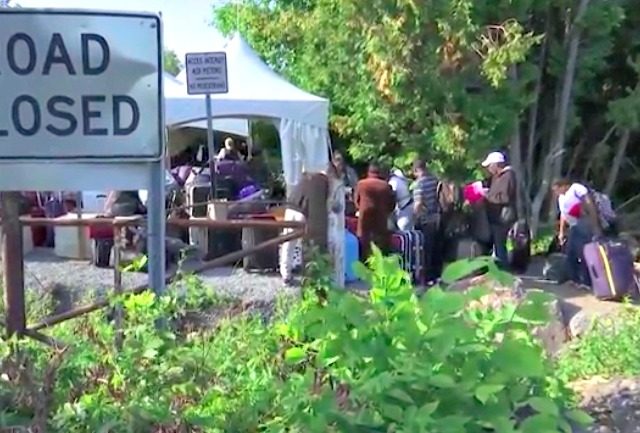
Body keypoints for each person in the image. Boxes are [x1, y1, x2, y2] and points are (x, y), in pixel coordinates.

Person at [280, 171, 330, 284]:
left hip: (290, 208)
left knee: (288, 243)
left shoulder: (305, 179)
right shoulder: (322, 182)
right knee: (308, 242)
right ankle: (308, 273)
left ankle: (285, 274)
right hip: (302, 211)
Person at [551, 178, 602, 288]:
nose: (556, 192)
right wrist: (561, 232)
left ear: (564, 185)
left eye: (557, 189)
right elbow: (563, 215)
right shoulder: (561, 198)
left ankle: (587, 281)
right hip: (573, 226)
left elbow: (589, 204)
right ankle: (574, 279)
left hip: (584, 222)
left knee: (583, 252)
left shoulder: (576, 188)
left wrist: (595, 225)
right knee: (570, 252)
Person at [482, 151, 517, 268]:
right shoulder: (497, 177)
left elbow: (504, 197)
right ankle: (500, 269)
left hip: (502, 217)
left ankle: (503, 271)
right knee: (497, 245)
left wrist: (486, 195)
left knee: (500, 245)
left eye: (490, 166)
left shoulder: (508, 176)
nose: (488, 169)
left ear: (496, 164)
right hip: (496, 216)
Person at [355, 164, 395, 259]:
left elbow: (357, 201)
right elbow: (392, 204)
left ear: (368, 172)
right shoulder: (386, 186)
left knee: (363, 241)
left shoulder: (361, 184)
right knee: (381, 242)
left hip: (365, 217)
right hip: (381, 218)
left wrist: (360, 208)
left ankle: (364, 262)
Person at [412, 160, 441, 281]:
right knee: (434, 247)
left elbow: (418, 204)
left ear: (416, 170)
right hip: (436, 218)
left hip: (425, 219)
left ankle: (425, 278)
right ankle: (435, 275)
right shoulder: (434, 180)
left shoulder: (419, 184)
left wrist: (414, 217)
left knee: (425, 249)